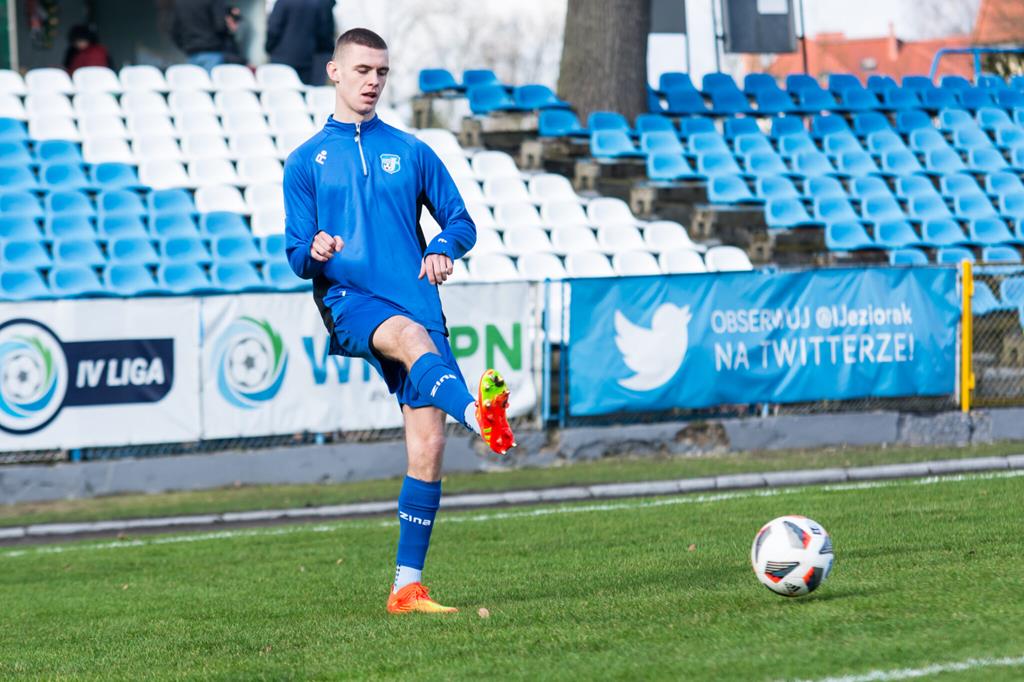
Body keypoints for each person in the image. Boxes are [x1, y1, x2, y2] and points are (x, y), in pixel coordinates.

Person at [282, 28, 515, 615]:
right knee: (408, 340)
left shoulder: (412, 151)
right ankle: (478, 416)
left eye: (381, 72)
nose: (372, 82)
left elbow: (461, 222)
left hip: (416, 298)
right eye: (362, 70)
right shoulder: (306, 161)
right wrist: (316, 249)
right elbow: (296, 256)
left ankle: (405, 588)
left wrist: (442, 247)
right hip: (352, 299)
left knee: (428, 446)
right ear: (335, 71)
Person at [265, 0, 336, 85]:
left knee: (279, 90)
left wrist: (269, 48)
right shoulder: (319, 3)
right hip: (307, 58)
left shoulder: (282, 2)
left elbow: (273, 29)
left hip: (280, 58)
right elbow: (324, 33)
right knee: (303, 90)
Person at [171, 0, 239, 72]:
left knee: (196, 79)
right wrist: (231, 27)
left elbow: (174, 31)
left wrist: (185, 46)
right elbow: (220, 26)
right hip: (213, 53)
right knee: (215, 78)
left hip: (192, 54)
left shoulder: (181, 2)